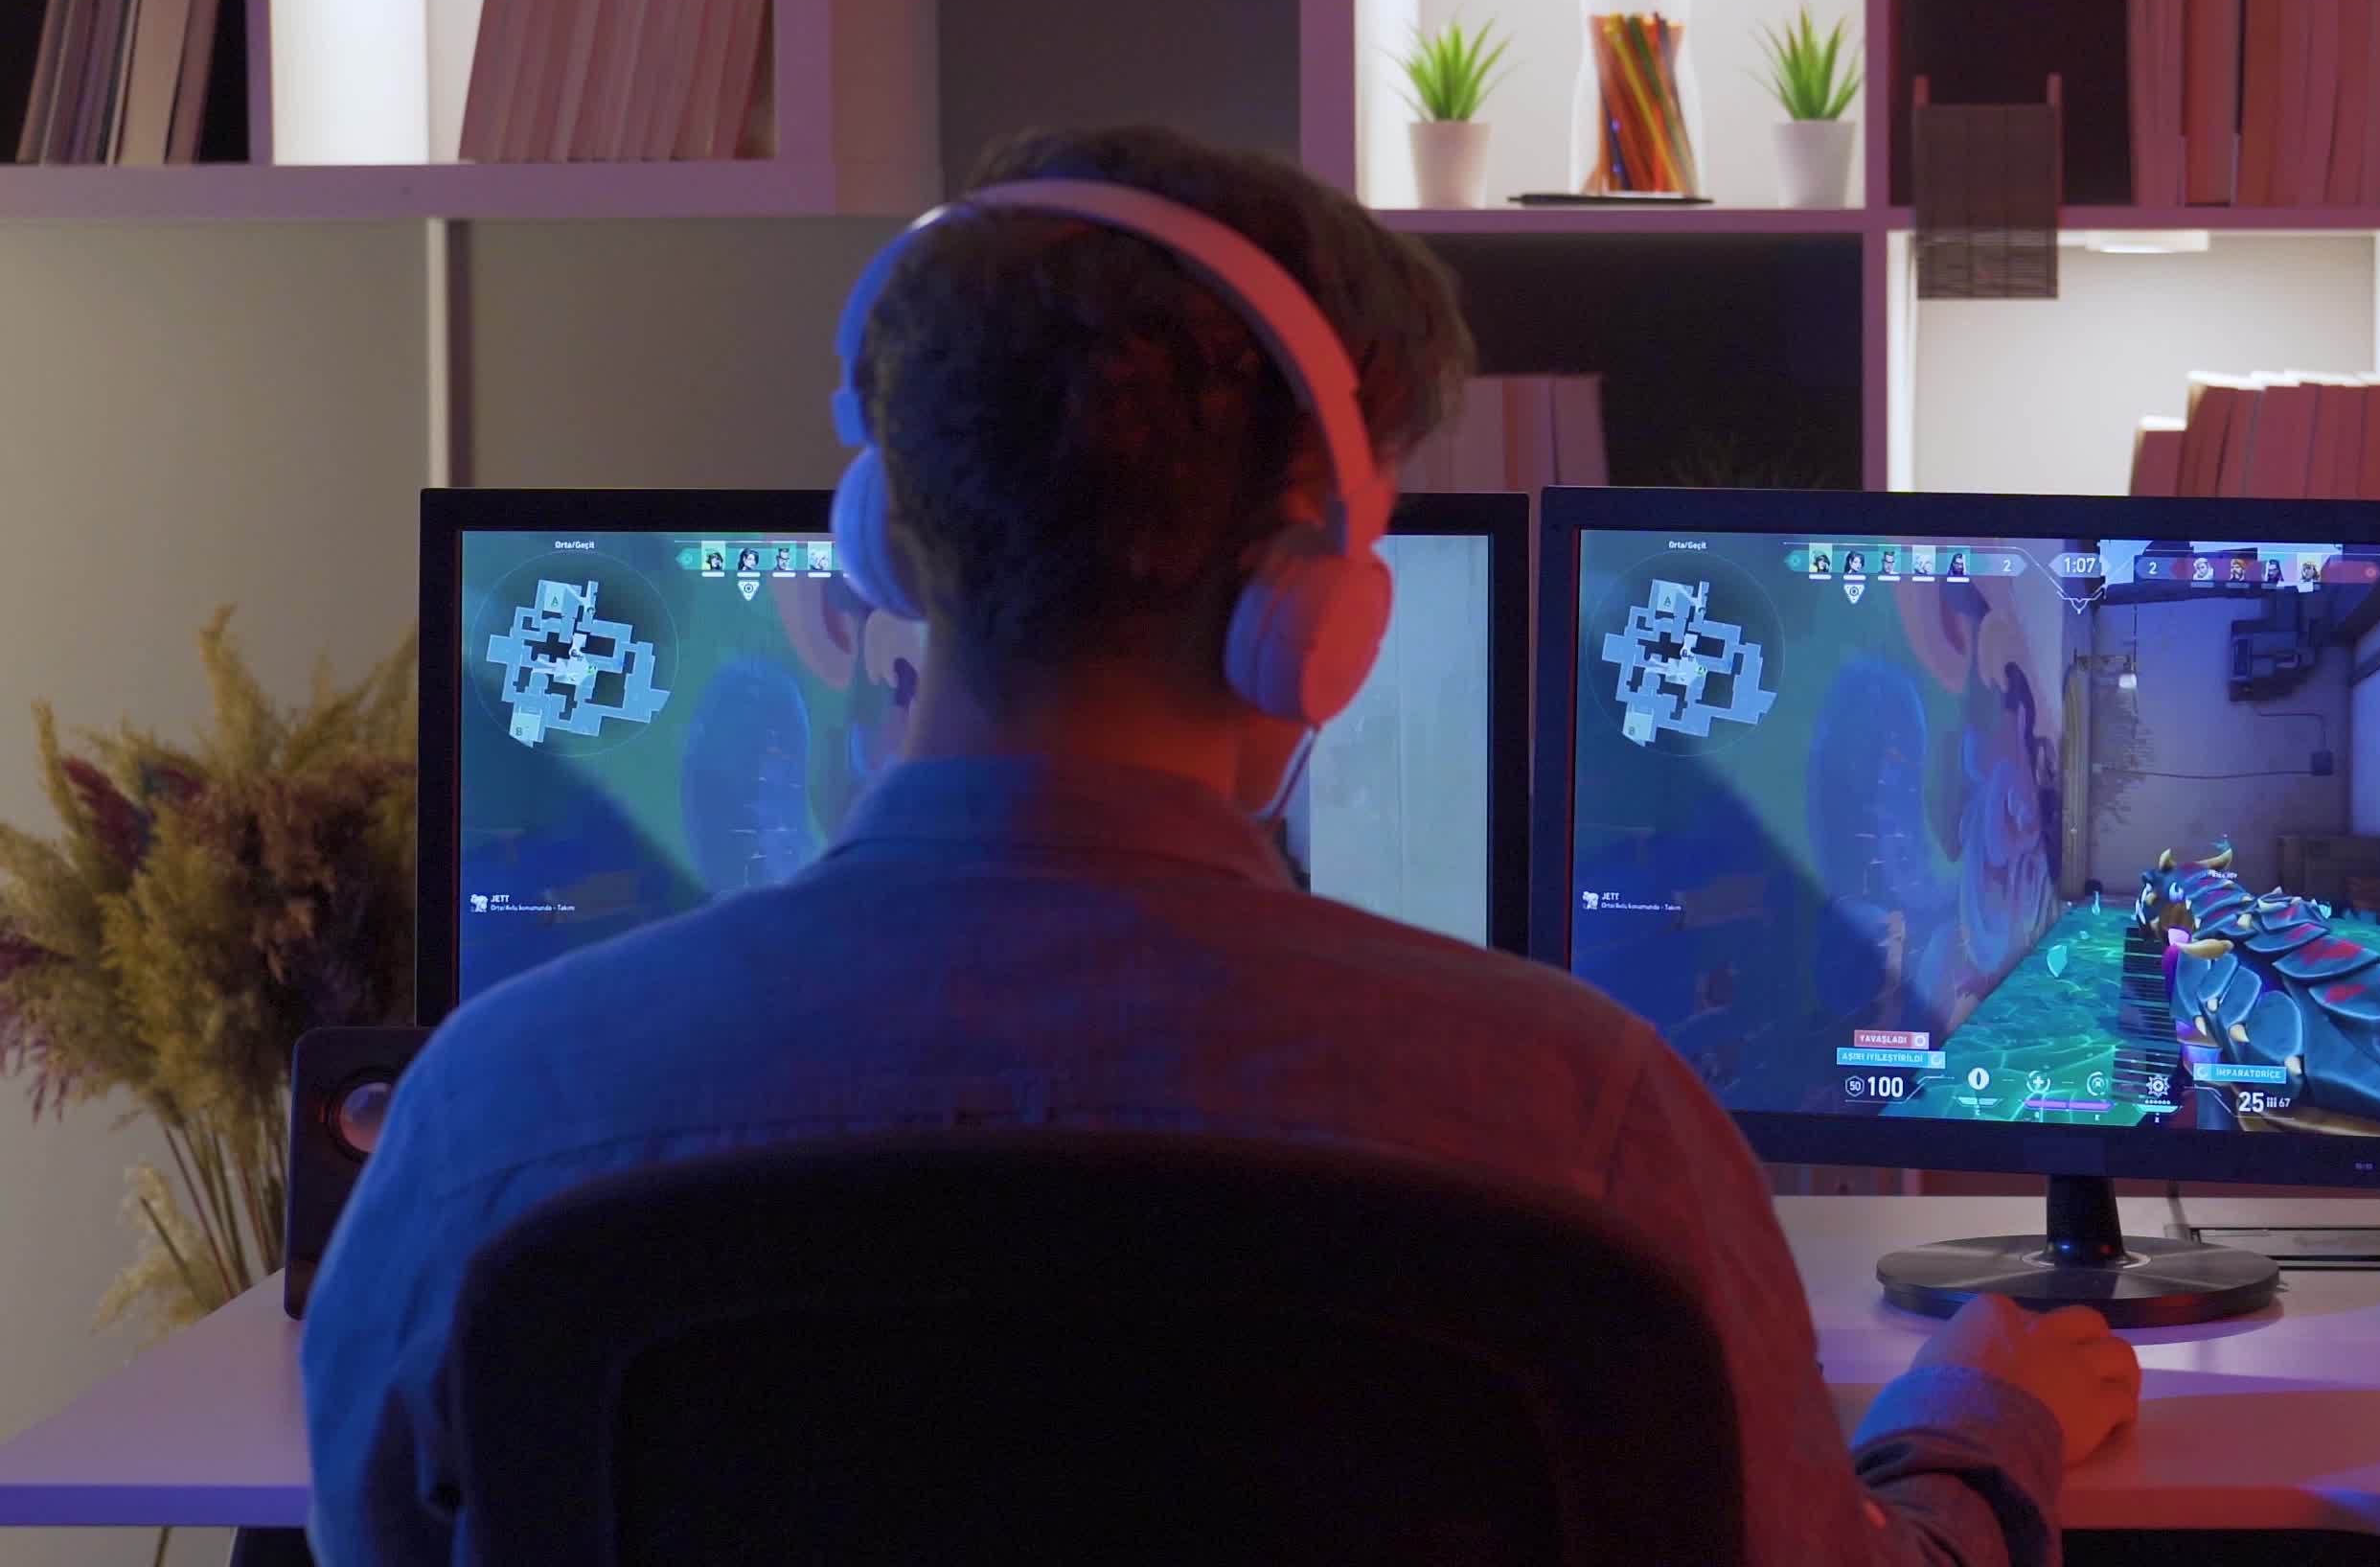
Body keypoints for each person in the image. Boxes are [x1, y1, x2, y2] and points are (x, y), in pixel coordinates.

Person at [300, 127, 2138, 1564]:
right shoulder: (1583, 1119)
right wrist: (1981, 1418)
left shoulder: (505, 1110)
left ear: (881, 537)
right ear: (1314, 615)